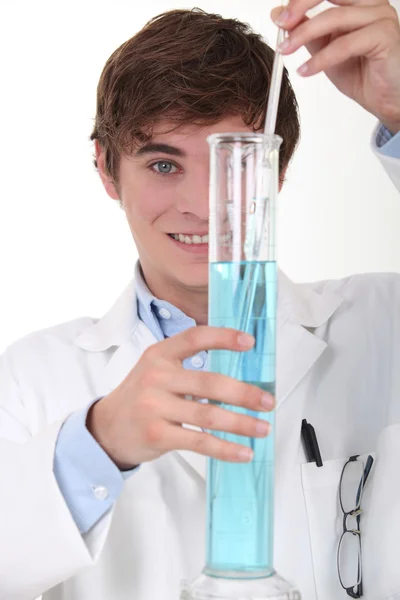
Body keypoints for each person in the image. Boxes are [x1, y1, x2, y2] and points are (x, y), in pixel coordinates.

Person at [1, 3, 400, 600]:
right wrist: (98, 443)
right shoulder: (31, 380)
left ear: (279, 168)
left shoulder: (380, 323)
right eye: (163, 163)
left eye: (233, 163)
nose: (204, 205)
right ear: (107, 172)